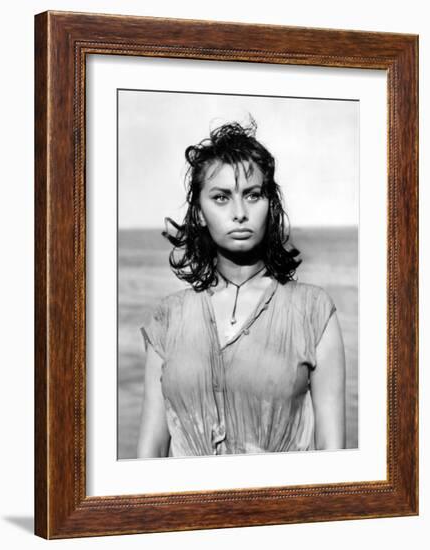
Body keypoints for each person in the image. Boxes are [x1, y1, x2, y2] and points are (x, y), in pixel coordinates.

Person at [136, 119, 346, 458]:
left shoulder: (313, 310)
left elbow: (332, 453)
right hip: (185, 509)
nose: (239, 213)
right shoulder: (168, 317)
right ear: (200, 212)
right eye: (221, 198)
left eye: (252, 195)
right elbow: (150, 451)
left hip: (283, 508)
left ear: (270, 205)